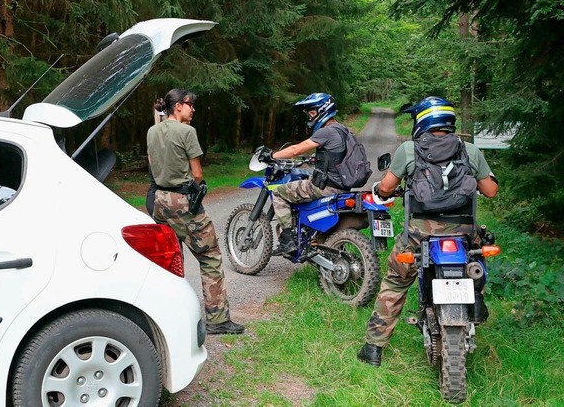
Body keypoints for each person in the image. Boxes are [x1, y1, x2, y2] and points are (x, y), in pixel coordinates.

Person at [357, 96, 499, 366]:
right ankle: (476, 299)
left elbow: (386, 188)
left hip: (418, 234)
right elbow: (491, 191)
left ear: (421, 121)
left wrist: (386, 189)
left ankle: (373, 349)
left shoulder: (409, 150)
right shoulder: (470, 150)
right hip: (462, 233)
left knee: (395, 283)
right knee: (477, 259)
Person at [146, 88, 245, 335]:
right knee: (210, 256)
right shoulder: (187, 132)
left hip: (159, 200)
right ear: (178, 106)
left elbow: (151, 163)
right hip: (183, 201)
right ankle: (218, 319)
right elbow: (198, 174)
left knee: (170, 259)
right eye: (190, 104)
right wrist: (197, 190)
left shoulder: (152, 131)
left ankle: (167, 318)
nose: (193, 109)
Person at [259, 92, 354, 256]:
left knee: (279, 192)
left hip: (326, 187)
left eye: (312, 112)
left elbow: (296, 149)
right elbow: (335, 156)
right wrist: (314, 160)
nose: (310, 117)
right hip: (342, 187)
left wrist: (272, 155)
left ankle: (287, 241)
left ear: (323, 110)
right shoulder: (343, 130)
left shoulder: (326, 131)